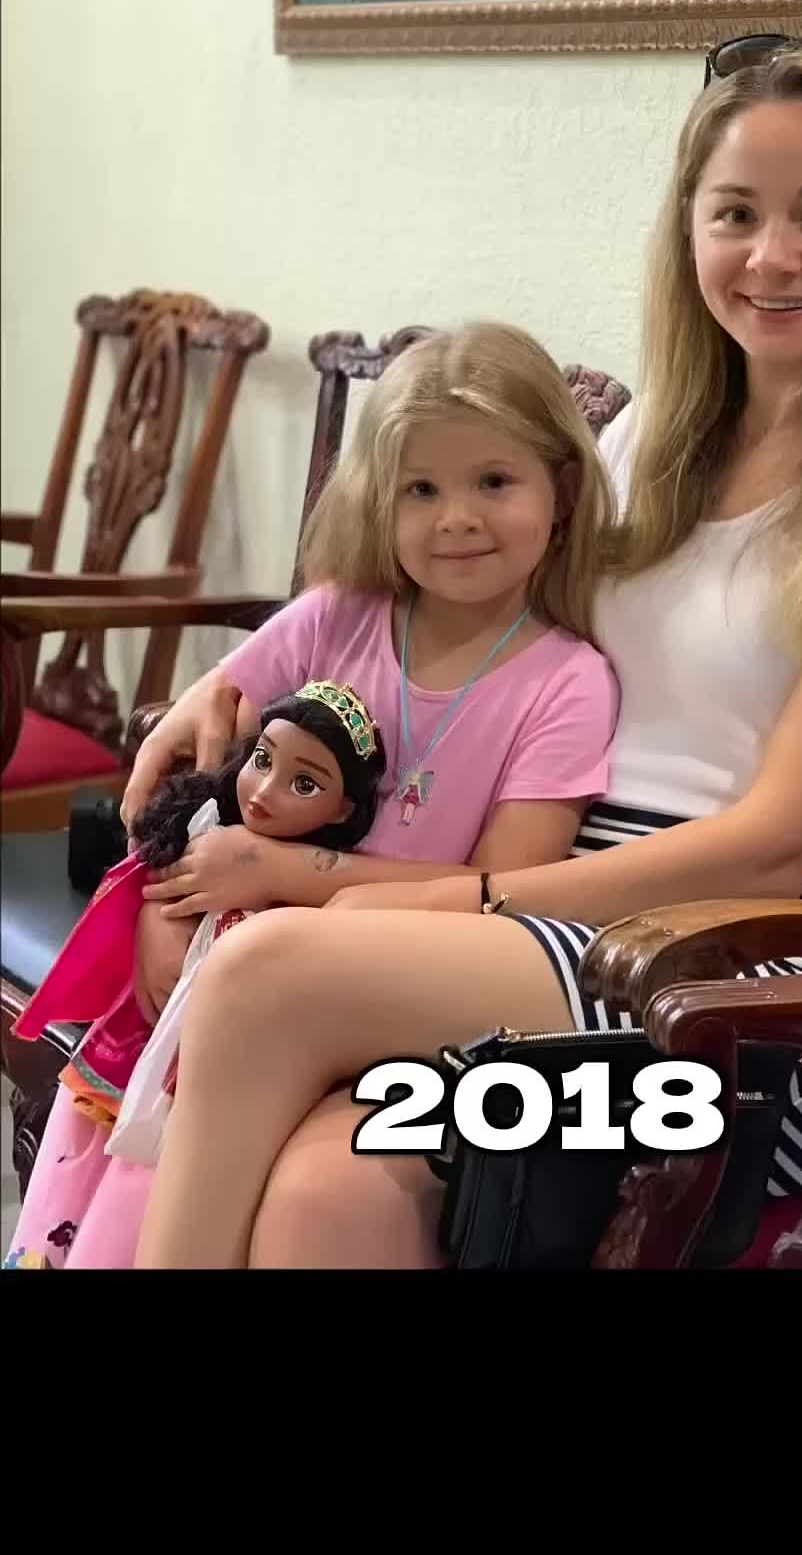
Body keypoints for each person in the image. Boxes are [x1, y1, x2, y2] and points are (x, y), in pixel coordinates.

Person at [132, 32, 802, 1271]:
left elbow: (772, 849)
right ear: (689, 227)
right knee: (330, 1197)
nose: (773, 257)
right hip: (544, 952)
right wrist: (227, 682)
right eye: (736, 213)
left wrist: (406, 897)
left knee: (265, 972)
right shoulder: (643, 445)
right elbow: (435, 594)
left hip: (735, 1014)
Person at [10, 322, 620, 1269]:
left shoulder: (567, 684)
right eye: (422, 488)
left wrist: (282, 872)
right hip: (221, 986)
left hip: (393, 996)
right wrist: (164, 914)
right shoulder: (336, 620)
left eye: (494, 482)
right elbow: (192, 784)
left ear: (563, 491)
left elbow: (510, 896)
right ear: (380, 498)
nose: (456, 518)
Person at [4, 683, 387, 1270]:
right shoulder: (208, 828)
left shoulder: (320, 896)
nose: (264, 791)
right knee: (77, 1157)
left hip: (215, 1066)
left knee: (146, 1195)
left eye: (303, 785)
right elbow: (150, 855)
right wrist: (156, 908)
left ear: (343, 811)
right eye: (262, 761)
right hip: (140, 1041)